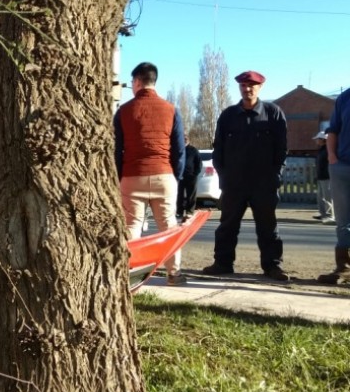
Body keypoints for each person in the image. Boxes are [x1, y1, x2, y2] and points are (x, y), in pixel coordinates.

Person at [202, 70, 289, 281]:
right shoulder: (228, 116)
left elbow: (282, 149)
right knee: (227, 225)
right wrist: (224, 175)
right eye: (243, 85)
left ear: (260, 87)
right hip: (234, 183)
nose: (247, 89)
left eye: (251, 85)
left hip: (264, 183)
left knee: (267, 226)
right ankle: (222, 263)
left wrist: (275, 175)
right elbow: (219, 149)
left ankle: (272, 266)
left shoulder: (273, 113)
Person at [114, 62, 186, 286]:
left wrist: (119, 177)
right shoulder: (171, 110)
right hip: (164, 174)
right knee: (168, 226)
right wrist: (176, 175)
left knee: (132, 227)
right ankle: (173, 273)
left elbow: (117, 149)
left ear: (136, 82)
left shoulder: (123, 111)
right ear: (154, 81)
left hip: (132, 176)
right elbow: (179, 149)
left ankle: (131, 275)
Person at [317, 88, 350, 284]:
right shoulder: (345, 98)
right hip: (343, 166)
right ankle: (344, 267)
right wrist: (332, 158)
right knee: (343, 220)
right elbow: (333, 130)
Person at [176, 135, 202, 221]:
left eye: (186, 139)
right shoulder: (178, 149)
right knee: (179, 194)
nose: (184, 141)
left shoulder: (193, 150)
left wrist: (195, 174)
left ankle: (189, 211)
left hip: (191, 176)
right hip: (180, 176)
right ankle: (179, 211)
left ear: (188, 141)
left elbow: (199, 163)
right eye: (183, 140)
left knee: (191, 195)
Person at [312, 131, 333, 224]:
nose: (316, 141)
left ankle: (329, 215)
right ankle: (323, 214)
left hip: (327, 177)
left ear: (323, 140)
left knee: (327, 197)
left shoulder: (328, 150)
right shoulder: (322, 150)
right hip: (321, 177)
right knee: (320, 197)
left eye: (318, 139)